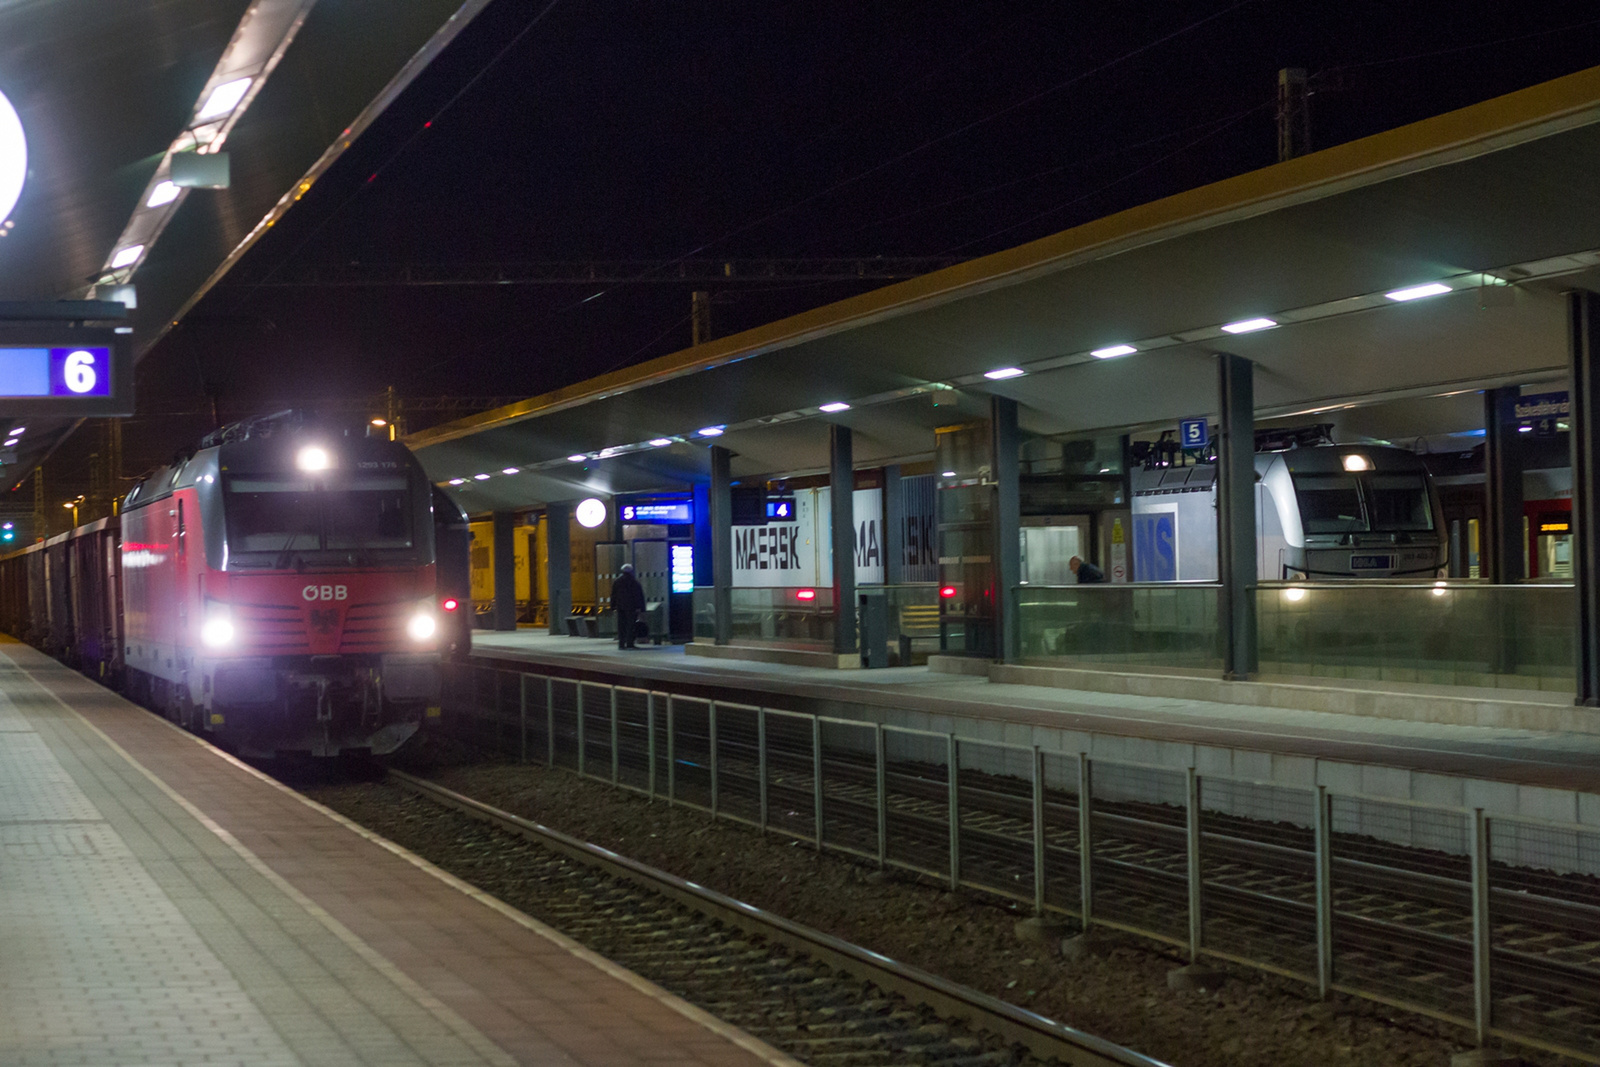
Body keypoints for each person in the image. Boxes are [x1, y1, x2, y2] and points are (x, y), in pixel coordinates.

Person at [610, 563, 646, 649]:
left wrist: (613, 606)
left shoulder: (617, 582)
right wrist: (641, 608)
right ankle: (630, 643)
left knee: (621, 626)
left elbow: (613, 595)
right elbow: (639, 596)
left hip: (620, 607)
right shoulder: (634, 582)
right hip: (632, 608)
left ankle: (621, 644)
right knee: (631, 626)